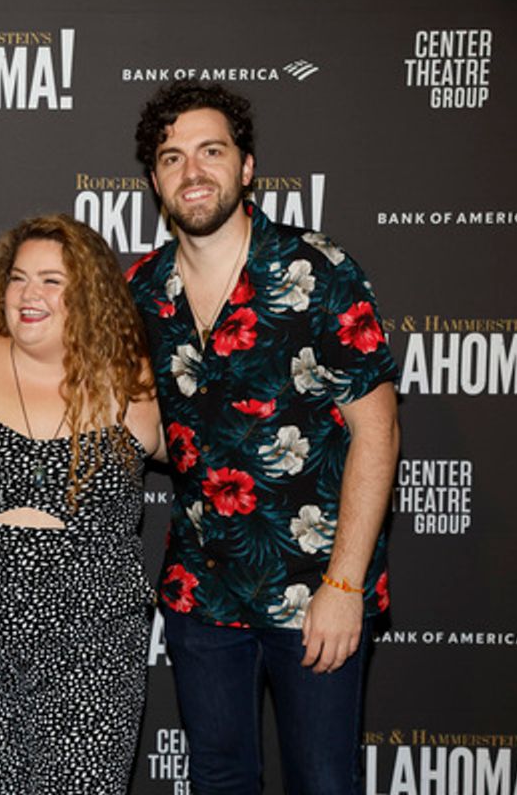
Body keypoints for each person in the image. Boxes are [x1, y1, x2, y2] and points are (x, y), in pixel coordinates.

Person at [126, 81, 400, 794]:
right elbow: (154, 432)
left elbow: (378, 432)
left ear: (246, 167)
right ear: (154, 179)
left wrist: (344, 585)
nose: (192, 171)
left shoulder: (318, 270)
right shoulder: (142, 291)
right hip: (201, 592)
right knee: (218, 780)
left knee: (322, 782)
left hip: (315, 589)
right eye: (172, 157)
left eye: (211, 151)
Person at [0, 214, 164, 794]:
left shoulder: (133, 383)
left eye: (52, 281)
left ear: (89, 294)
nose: (29, 294)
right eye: (18, 278)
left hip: (93, 641)